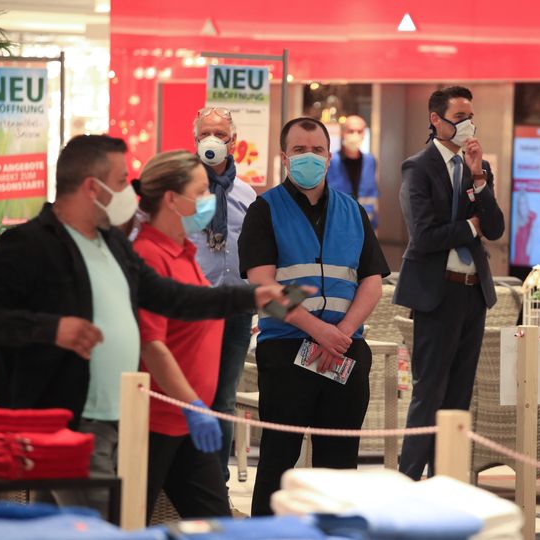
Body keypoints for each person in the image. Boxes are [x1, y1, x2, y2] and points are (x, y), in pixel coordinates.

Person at [0, 134, 292, 514]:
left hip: (120, 417)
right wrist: (53, 329)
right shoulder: (29, 244)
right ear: (90, 187)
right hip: (70, 419)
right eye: (120, 181)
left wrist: (249, 296)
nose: (129, 191)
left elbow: (170, 296)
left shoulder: (111, 244)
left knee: (102, 523)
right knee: (102, 526)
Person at [239, 117, 390, 515]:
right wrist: (319, 331)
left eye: (318, 150)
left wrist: (340, 333)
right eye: (300, 150)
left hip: (345, 352)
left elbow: (371, 283)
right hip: (287, 352)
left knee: (339, 469)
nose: (310, 158)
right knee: (277, 463)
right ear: (285, 157)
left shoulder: (352, 211)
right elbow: (263, 289)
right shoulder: (264, 209)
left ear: (329, 155)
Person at [394, 86, 505, 480]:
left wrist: (478, 177)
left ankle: (447, 482)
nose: (467, 124)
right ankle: (408, 481)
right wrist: (470, 227)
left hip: (473, 293)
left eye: (471, 116)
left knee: (459, 396)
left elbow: (494, 227)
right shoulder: (418, 167)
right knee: (429, 392)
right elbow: (424, 236)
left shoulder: (478, 167)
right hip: (436, 292)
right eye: (459, 117)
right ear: (436, 121)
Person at [131, 150, 231, 521]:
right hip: (156, 421)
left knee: (217, 524)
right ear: (172, 199)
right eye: (201, 191)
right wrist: (193, 405)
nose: (209, 200)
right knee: (127, 522)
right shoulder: (148, 255)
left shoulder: (184, 252)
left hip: (189, 421)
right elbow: (152, 344)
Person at [189, 107, 257, 488]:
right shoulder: (183, 189)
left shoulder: (246, 193)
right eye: (204, 134)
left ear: (233, 141)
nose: (212, 140)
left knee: (225, 397)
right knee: (191, 392)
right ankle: (188, 479)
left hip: (236, 308)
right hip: (193, 307)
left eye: (219, 134)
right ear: (194, 139)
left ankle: (216, 482)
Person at [326, 115, 379, 229]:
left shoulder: (370, 161)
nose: (355, 135)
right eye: (350, 131)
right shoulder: (330, 162)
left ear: (364, 134)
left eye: (359, 131)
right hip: (337, 226)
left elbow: (372, 195)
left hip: (366, 225)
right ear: (342, 133)